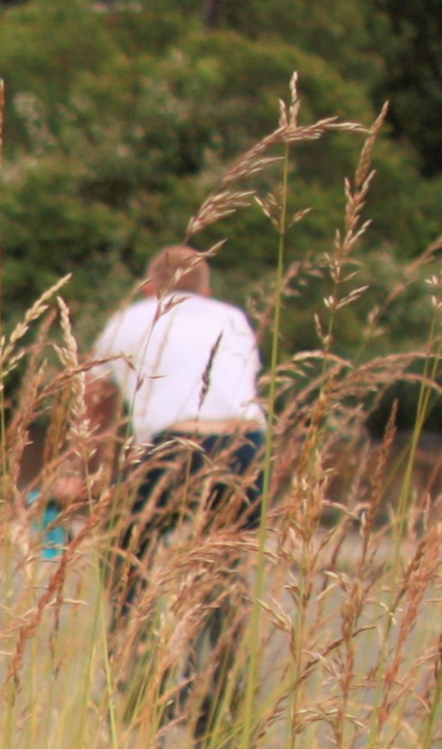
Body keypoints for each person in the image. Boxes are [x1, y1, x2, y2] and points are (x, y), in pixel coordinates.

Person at [54, 245, 269, 741]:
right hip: (245, 447)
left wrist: (77, 471)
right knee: (222, 570)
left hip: (176, 445)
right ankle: (220, 706)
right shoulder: (233, 318)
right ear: (207, 290)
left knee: (125, 550)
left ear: (151, 289)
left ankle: (139, 673)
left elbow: (95, 403)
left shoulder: (129, 319)